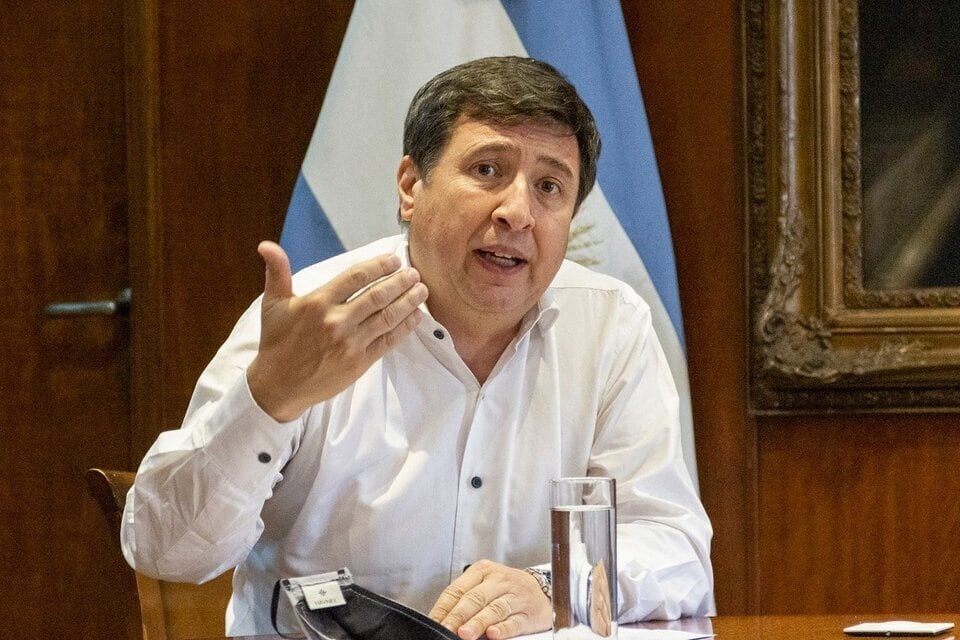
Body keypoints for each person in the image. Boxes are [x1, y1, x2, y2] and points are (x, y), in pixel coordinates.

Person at [121, 56, 714, 639]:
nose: (517, 213)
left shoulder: (610, 326)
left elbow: (676, 548)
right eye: (487, 170)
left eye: (549, 187)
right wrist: (269, 398)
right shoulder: (313, 321)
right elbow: (163, 550)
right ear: (410, 186)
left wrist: (553, 586)